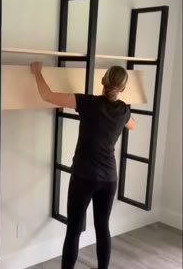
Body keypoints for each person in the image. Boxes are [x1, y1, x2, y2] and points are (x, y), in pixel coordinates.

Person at [30, 62, 135, 269]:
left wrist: (37, 72)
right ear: (122, 88)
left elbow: (47, 95)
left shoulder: (88, 103)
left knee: (74, 229)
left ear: (103, 81)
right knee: (102, 228)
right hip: (109, 179)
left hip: (84, 176)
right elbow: (133, 125)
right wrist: (121, 120)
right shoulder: (124, 110)